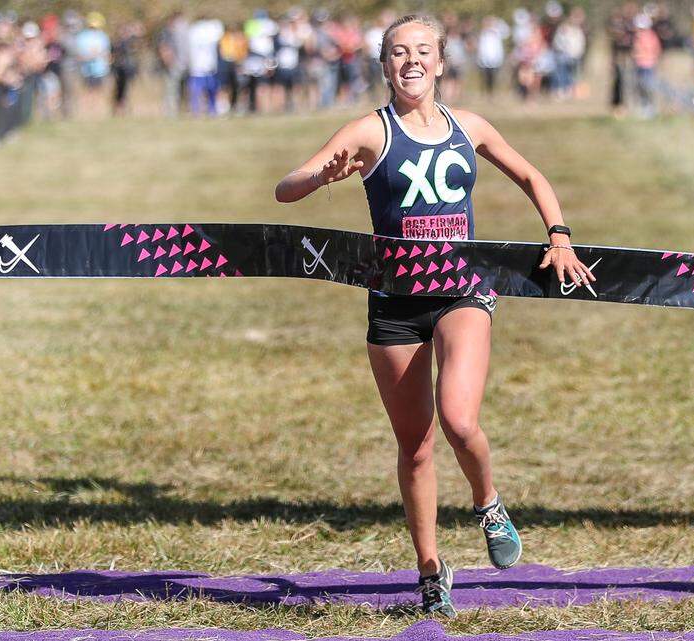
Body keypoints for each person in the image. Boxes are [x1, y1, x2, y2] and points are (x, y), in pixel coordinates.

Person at [274, 14, 593, 618]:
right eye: (398, 52)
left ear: (442, 63)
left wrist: (559, 235)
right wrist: (322, 175)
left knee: (459, 418)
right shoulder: (369, 131)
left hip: (460, 290)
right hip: (394, 302)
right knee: (415, 446)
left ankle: (488, 501)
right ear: (384, 66)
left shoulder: (467, 126)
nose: (411, 61)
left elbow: (531, 175)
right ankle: (429, 569)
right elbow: (284, 189)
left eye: (423, 51)